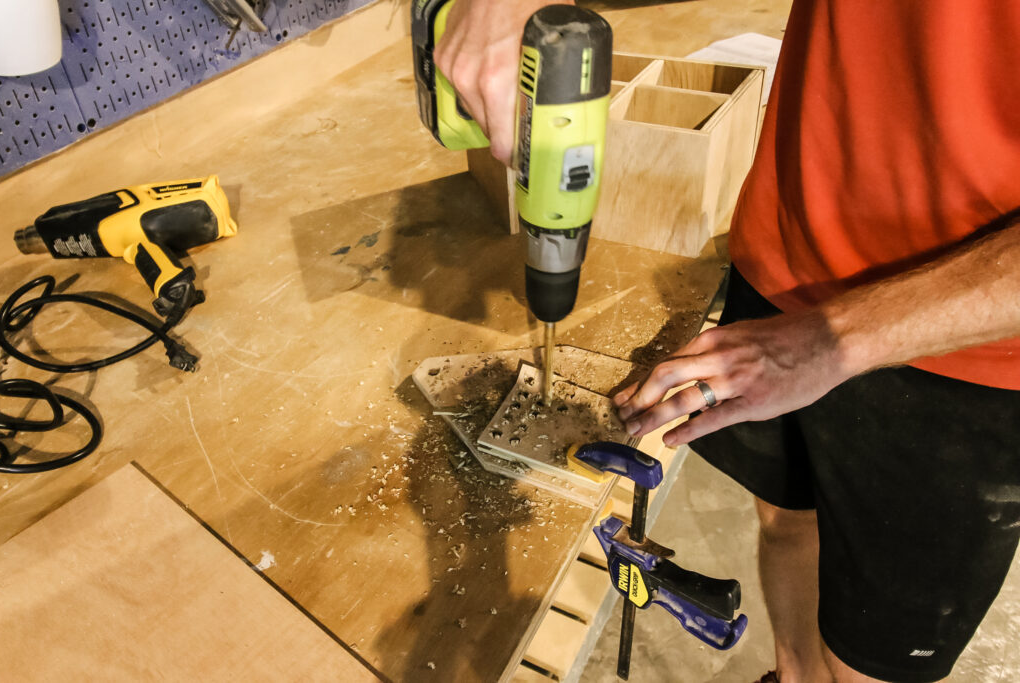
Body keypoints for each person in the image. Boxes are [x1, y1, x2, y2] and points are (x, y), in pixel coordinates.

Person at [435, 1, 1020, 681]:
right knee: (786, 522)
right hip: (784, 248)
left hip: (960, 347)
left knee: (868, 660)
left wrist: (832, 339)